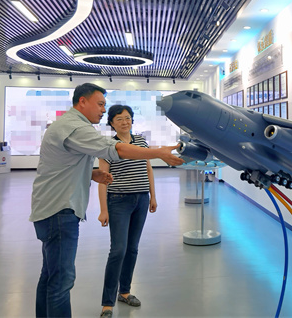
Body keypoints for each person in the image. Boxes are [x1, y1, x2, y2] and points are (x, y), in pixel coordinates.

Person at [29, 83, 184, 318]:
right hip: (60, 211)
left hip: (54, 209)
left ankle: (124, 290)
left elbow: (61, 166)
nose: (103, 110)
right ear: (83, 102)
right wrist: (159, 152)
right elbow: (115, 150)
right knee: (61, 281)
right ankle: (108, 302)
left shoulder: (68, 126)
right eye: (100, 104)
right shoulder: (75, 127)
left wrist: (91, 174)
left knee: (50, 276)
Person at [97, 105, 157, 317]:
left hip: (141, 199)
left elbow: (148, 168)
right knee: (118, 250)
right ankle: (107, 303)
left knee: (132, 249)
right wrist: (103, 209)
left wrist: (152, 196)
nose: (125, 122)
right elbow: (102, 179)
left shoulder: (141, 141)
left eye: (128, 118)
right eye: (119, 119)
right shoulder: (108, 146)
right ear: (111, 123)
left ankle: (124, 292)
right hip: (118, 201)